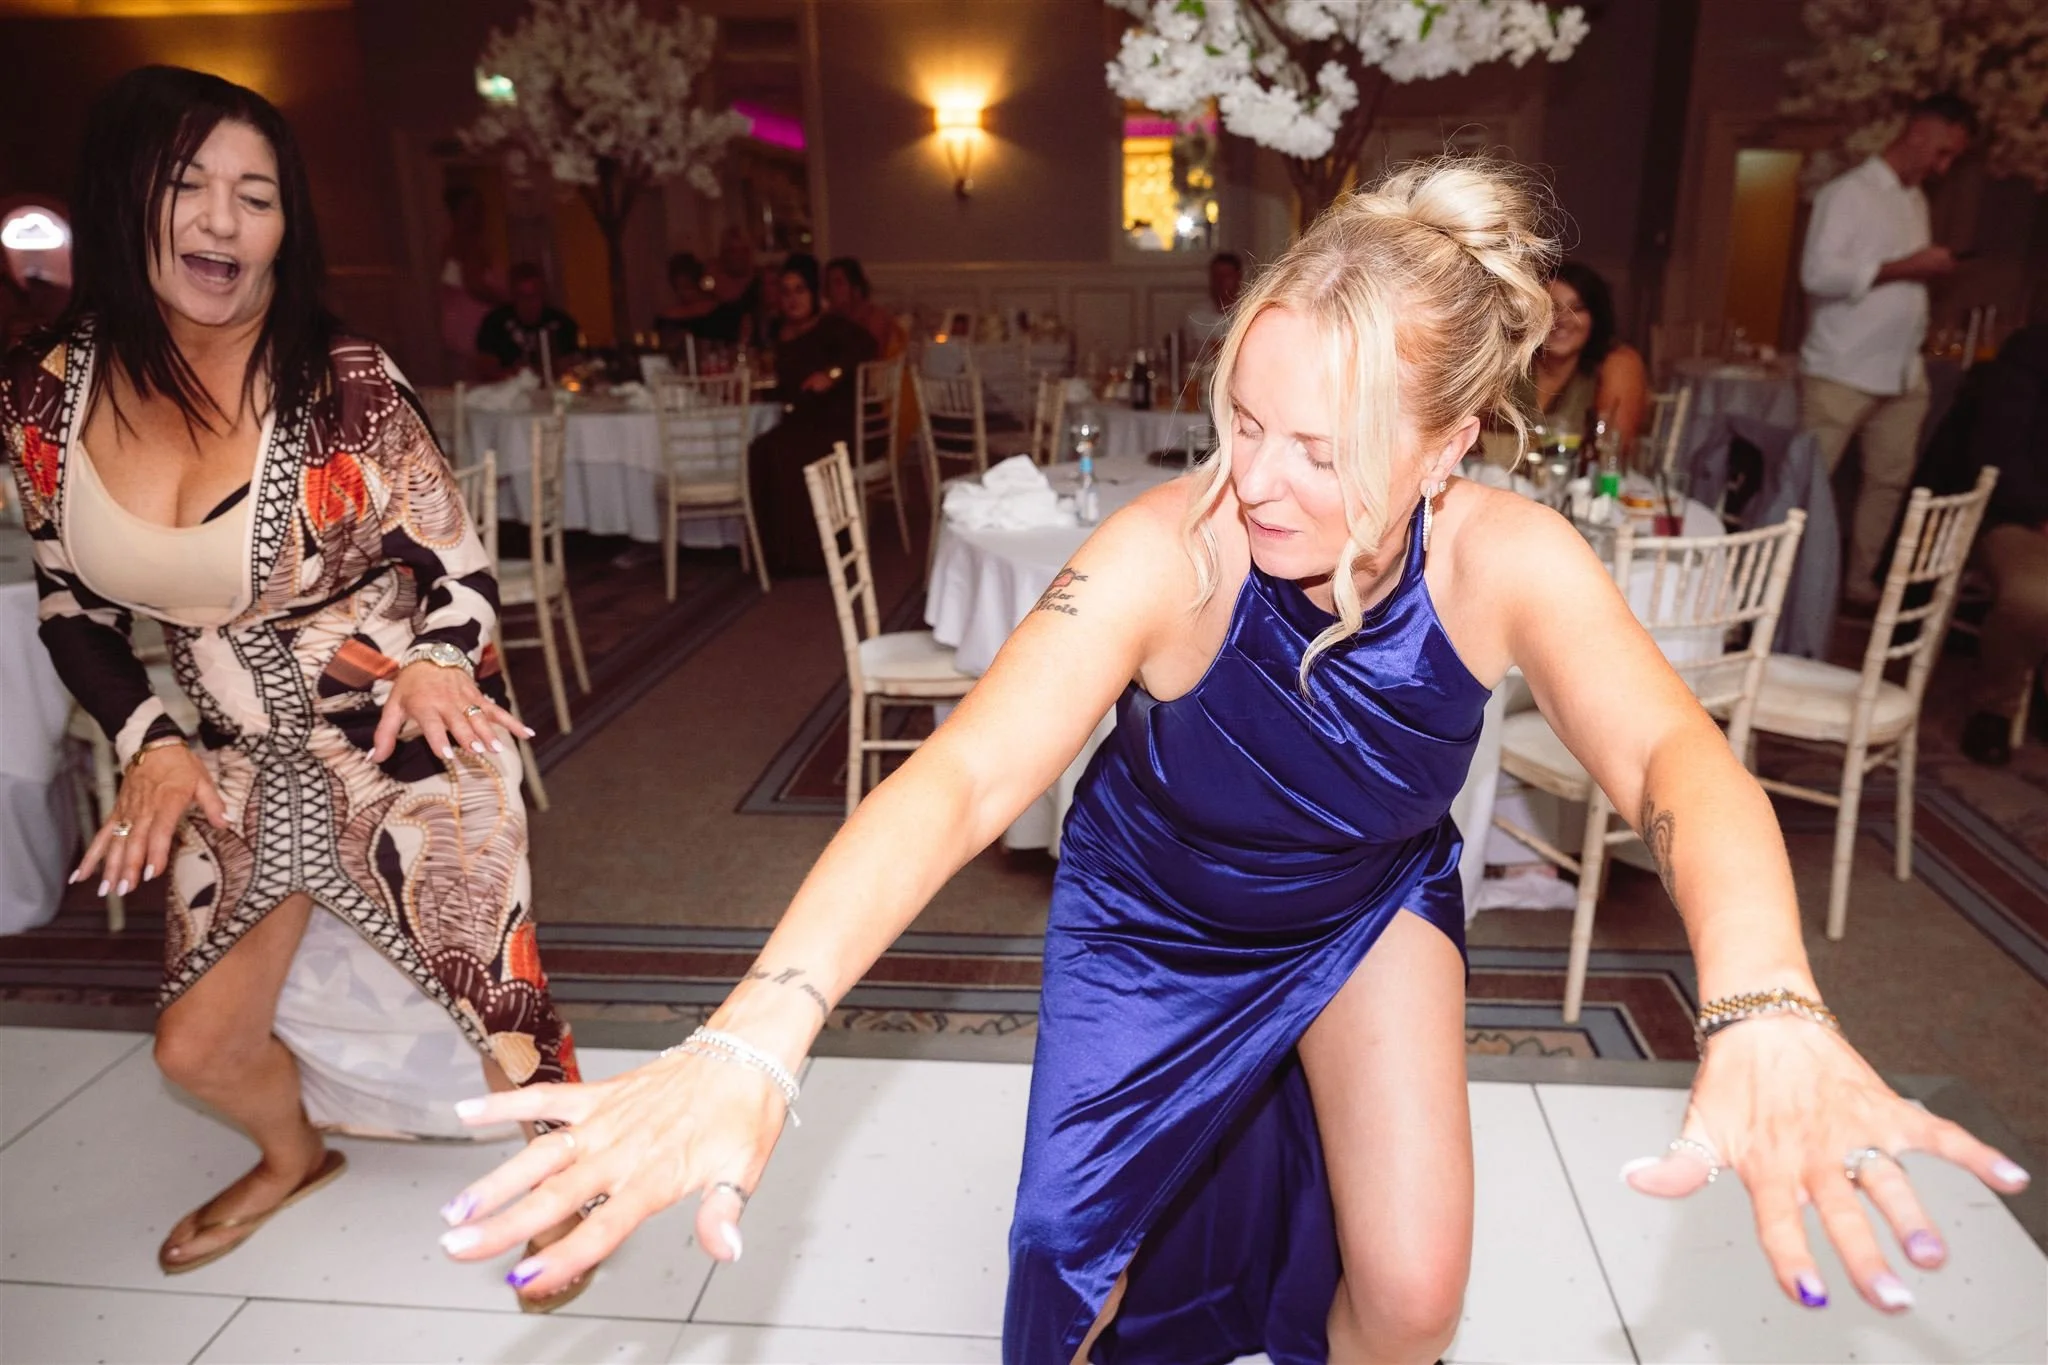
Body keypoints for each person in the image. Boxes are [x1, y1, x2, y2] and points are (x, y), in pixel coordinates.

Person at [434, 160, 2030, 1358]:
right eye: (1243, 420)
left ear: (1448, 444)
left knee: (1411, 1289)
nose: (1257, 480)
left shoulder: (1507, 556)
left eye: (1320, 449)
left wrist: (1764, 1001)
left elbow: (1683, 765)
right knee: (1079, 1269)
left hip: (1364, 908)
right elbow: (967, 780)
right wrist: (752, 1039)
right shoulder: (1170, 548)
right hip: (1155, 918)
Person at [1, 66, 586, 1307]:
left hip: (403, 732)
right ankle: (292, 1157)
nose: (222, 220)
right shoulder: (41, 398)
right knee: (196, 1043)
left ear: (285, 222)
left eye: (254, 196)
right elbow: (71, 605)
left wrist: (436, 660)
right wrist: (149, 735)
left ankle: (568, 1198)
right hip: (222, 757)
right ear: (125, 202)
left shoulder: (345, 381)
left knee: (505, 1015)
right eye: (188, 186)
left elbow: (462, 573)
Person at [1798, 93, 1976, 608]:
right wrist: (1910, 265)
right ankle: (1792, 588)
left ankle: (1858, 584)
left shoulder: (1915, 199)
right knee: (1811, 487)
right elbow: (1817, 275)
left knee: (1888, 484)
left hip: (1901, 372)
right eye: (1942, 153)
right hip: (1841, 367)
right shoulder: (1846, 193)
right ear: (1918, 132)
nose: (1944, 167)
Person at [1918, 319, 2048, 766]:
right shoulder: (2031, 349)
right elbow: (1996, 451)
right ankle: (1996, 706)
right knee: (2035, 597)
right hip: (2021, 518)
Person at [741, 253, 876, 576]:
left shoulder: (833, 327)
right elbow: (788, 386)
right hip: (800, 422)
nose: (792, 299)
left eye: (800, 290)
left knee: (786, 453)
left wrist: (831, 373)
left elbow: (866, 348)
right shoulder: (779, 333)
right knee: (759, 450)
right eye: (786, 292)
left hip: (835, 422)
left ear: (814, 294)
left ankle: (811, 555)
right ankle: (774, 554)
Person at [1525, 260, 1649, 456]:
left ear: (1596, 317)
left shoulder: (1618, 362)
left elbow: (1611, 451)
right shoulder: (1510, 360)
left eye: (1577, 308)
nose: (1562, 320)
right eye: (1552, 307)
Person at [438, 182, 504, 378]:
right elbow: (475, 286)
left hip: (460, 325)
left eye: (480, 208)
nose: (478, 214)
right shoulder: (467, 244)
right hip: (473, 326)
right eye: (472, 209)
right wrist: (508, 303)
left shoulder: (452, 242)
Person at [475, 261, 579, 381]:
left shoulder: (562, 323)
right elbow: (486, 369)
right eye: (522, 296)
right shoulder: (494, 323)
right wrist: (514, 374)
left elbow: (572, 368)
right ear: (513, 295)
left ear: (543, 293)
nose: (529, 302)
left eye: (534, 295)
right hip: (508, 393)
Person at [823, 256, 905, 358]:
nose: (831, 290)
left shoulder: (876, 318)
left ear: (856, 288)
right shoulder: (828, 318)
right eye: (829, 283)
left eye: (838, 283)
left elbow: (873, 359)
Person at [1182, 250, 1245, 360]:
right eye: (1217, 276)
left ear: (1238, 278)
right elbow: (1186, 358)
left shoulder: (1248, 315)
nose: (1221, 282)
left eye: (1227, 276)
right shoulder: (1194, 316)